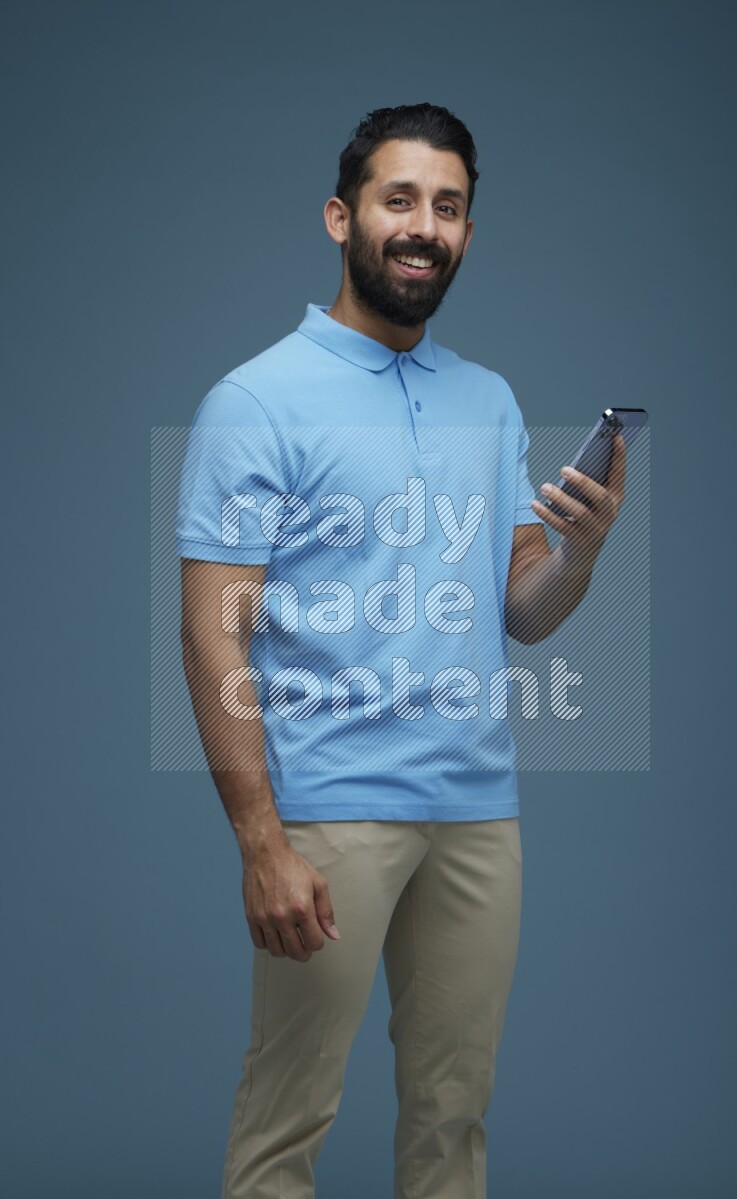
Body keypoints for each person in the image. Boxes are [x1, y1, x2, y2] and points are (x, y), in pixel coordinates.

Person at [176, 102, 626, 1199]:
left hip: (477, 811)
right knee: (287, 1122)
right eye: (398, 199)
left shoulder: (488, 399)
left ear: (465, 231)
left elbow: (522, 609)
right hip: (329, 813)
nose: (422, 225)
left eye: (448, 205)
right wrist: (259, 841)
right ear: (342, 217)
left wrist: (582, 552)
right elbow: (210, 628)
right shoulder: (256, 401)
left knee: (452, 1116)